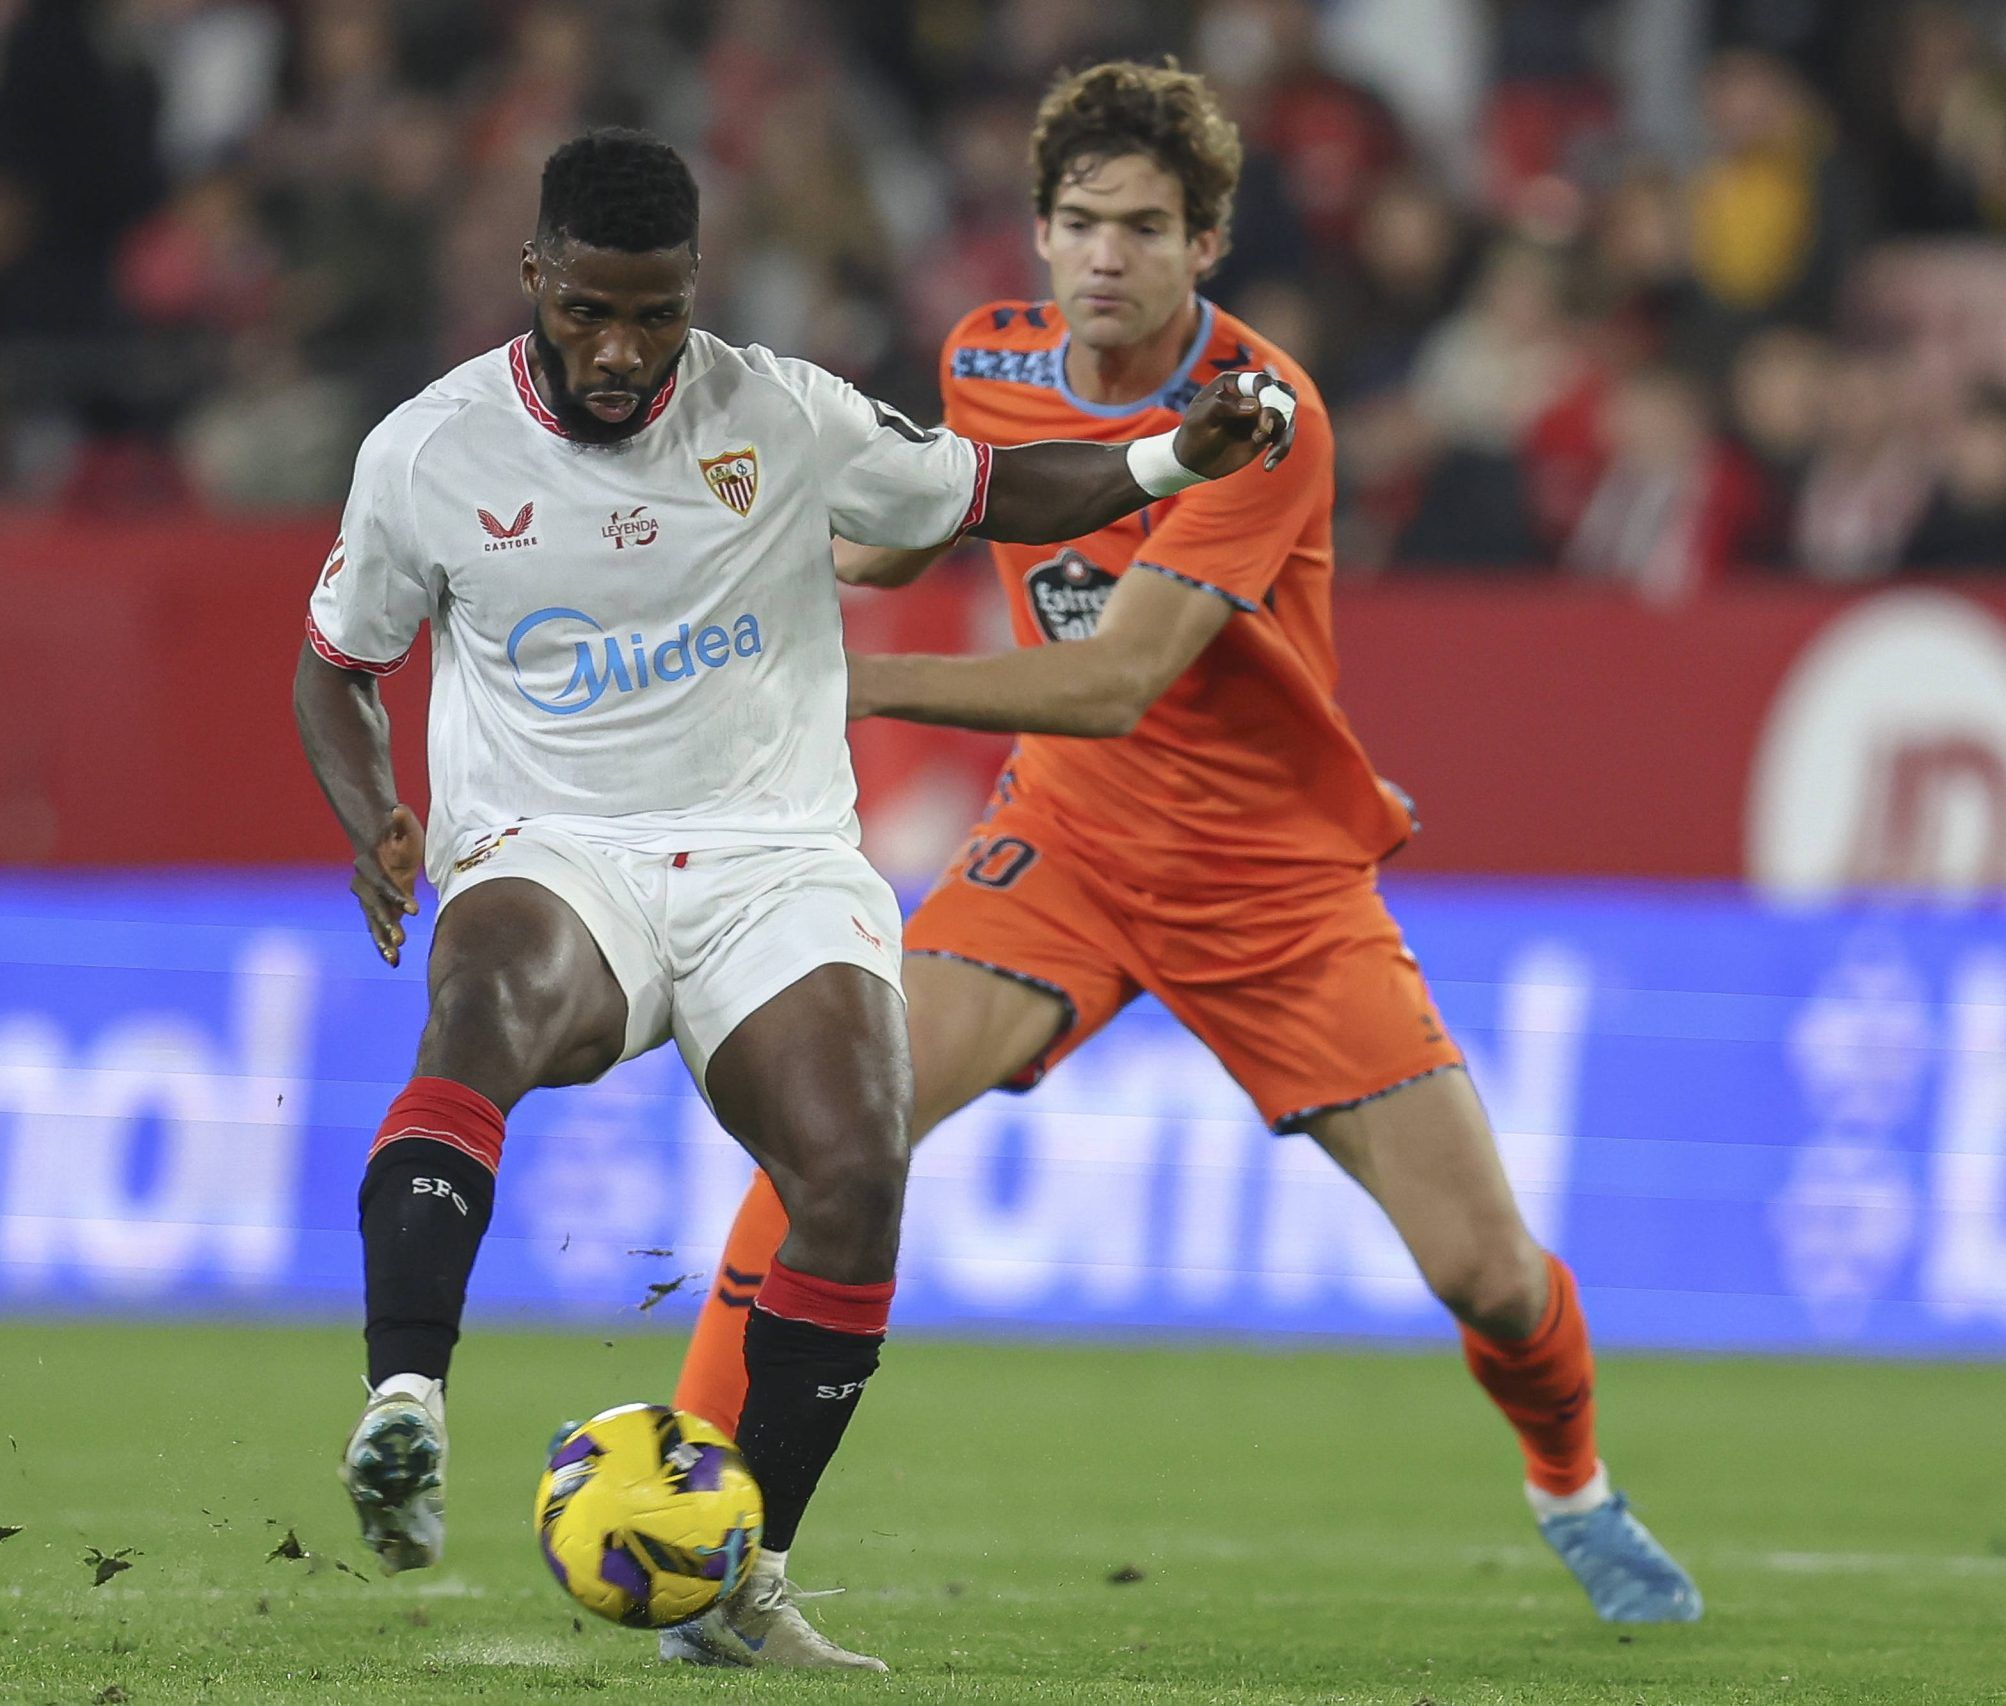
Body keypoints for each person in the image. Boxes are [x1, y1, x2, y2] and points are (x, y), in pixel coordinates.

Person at [670, 62, 1704, 1628]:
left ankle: (1572, 1481)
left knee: (1487, 1274)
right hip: (1066, 850)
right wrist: (746, 577)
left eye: (1145, 228)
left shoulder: (1260, 415)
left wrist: (840, 680)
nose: (1107, 255)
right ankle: (705, 1530)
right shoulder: (986, 357)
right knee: (835, 1130)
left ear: (1206, 243)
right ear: (1037, 229)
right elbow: (922, 524)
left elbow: (1113, 679)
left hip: (1271, 886)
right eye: (1082, 221)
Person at [293, 128, 1296, 1671]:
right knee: (481, 1003)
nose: (620, 352)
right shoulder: (427, 453)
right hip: (558, 844)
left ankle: (740, 1583)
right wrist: (375, 817)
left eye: (656, 314)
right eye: (587, 312)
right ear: (533, 278)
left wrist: (1171, 459)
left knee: (854, 1166)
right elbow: (335, 666)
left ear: (697, 288)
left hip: (773, 858)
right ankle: (405, 1403)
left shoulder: (780, 410)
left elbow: (994, 491)